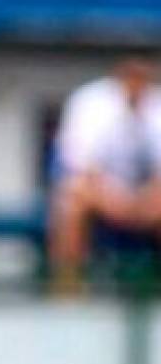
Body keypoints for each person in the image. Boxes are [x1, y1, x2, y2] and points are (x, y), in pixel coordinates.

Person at [49, 57, 161, 288]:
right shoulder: (90, 101)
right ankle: (68, 285)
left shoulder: (156, 103)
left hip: (145, 196)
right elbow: (80, 164)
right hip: (102, 191)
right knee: (72, 198)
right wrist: (116, 198)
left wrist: (146, 197)